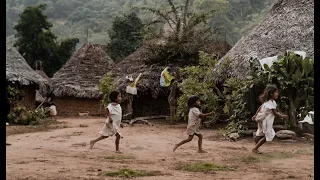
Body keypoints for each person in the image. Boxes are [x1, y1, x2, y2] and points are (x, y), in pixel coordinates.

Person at [252, 84, 288, 154]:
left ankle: (256, 143)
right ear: (271, 93)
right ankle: (255, 148)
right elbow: (275, 113)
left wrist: (255, 115)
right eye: (276, 92)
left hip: (261, 120)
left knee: (260, 134)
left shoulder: (267, 102)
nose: (277, 94)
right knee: (268, 135)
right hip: (266, 121)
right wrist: (283, 116)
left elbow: (260, 108)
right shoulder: (272, 103)